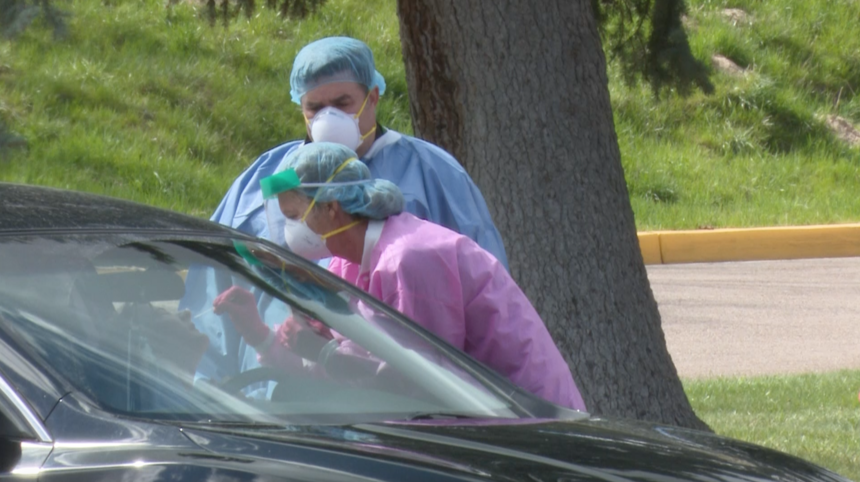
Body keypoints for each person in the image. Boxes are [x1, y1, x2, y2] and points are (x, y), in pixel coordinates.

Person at [181, 36, 507, 385]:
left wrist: (481, 392)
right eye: (315, 107)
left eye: (342, 103)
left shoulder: (431, 174)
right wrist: (207, 385)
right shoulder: (267, 178)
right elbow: (212, 283)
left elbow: (485, 291)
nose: (329, 117)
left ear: (373, 96)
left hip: (398, 394)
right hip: (271, 389)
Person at [213, 143, 586, 411]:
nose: (289, 231)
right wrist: (260, 335)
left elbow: (420, 385)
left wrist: (325, 353)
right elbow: (341, 372)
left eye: (294, 216)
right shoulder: (348, 265)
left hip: (530, 428)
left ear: (331, 207)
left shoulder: (408, 260)